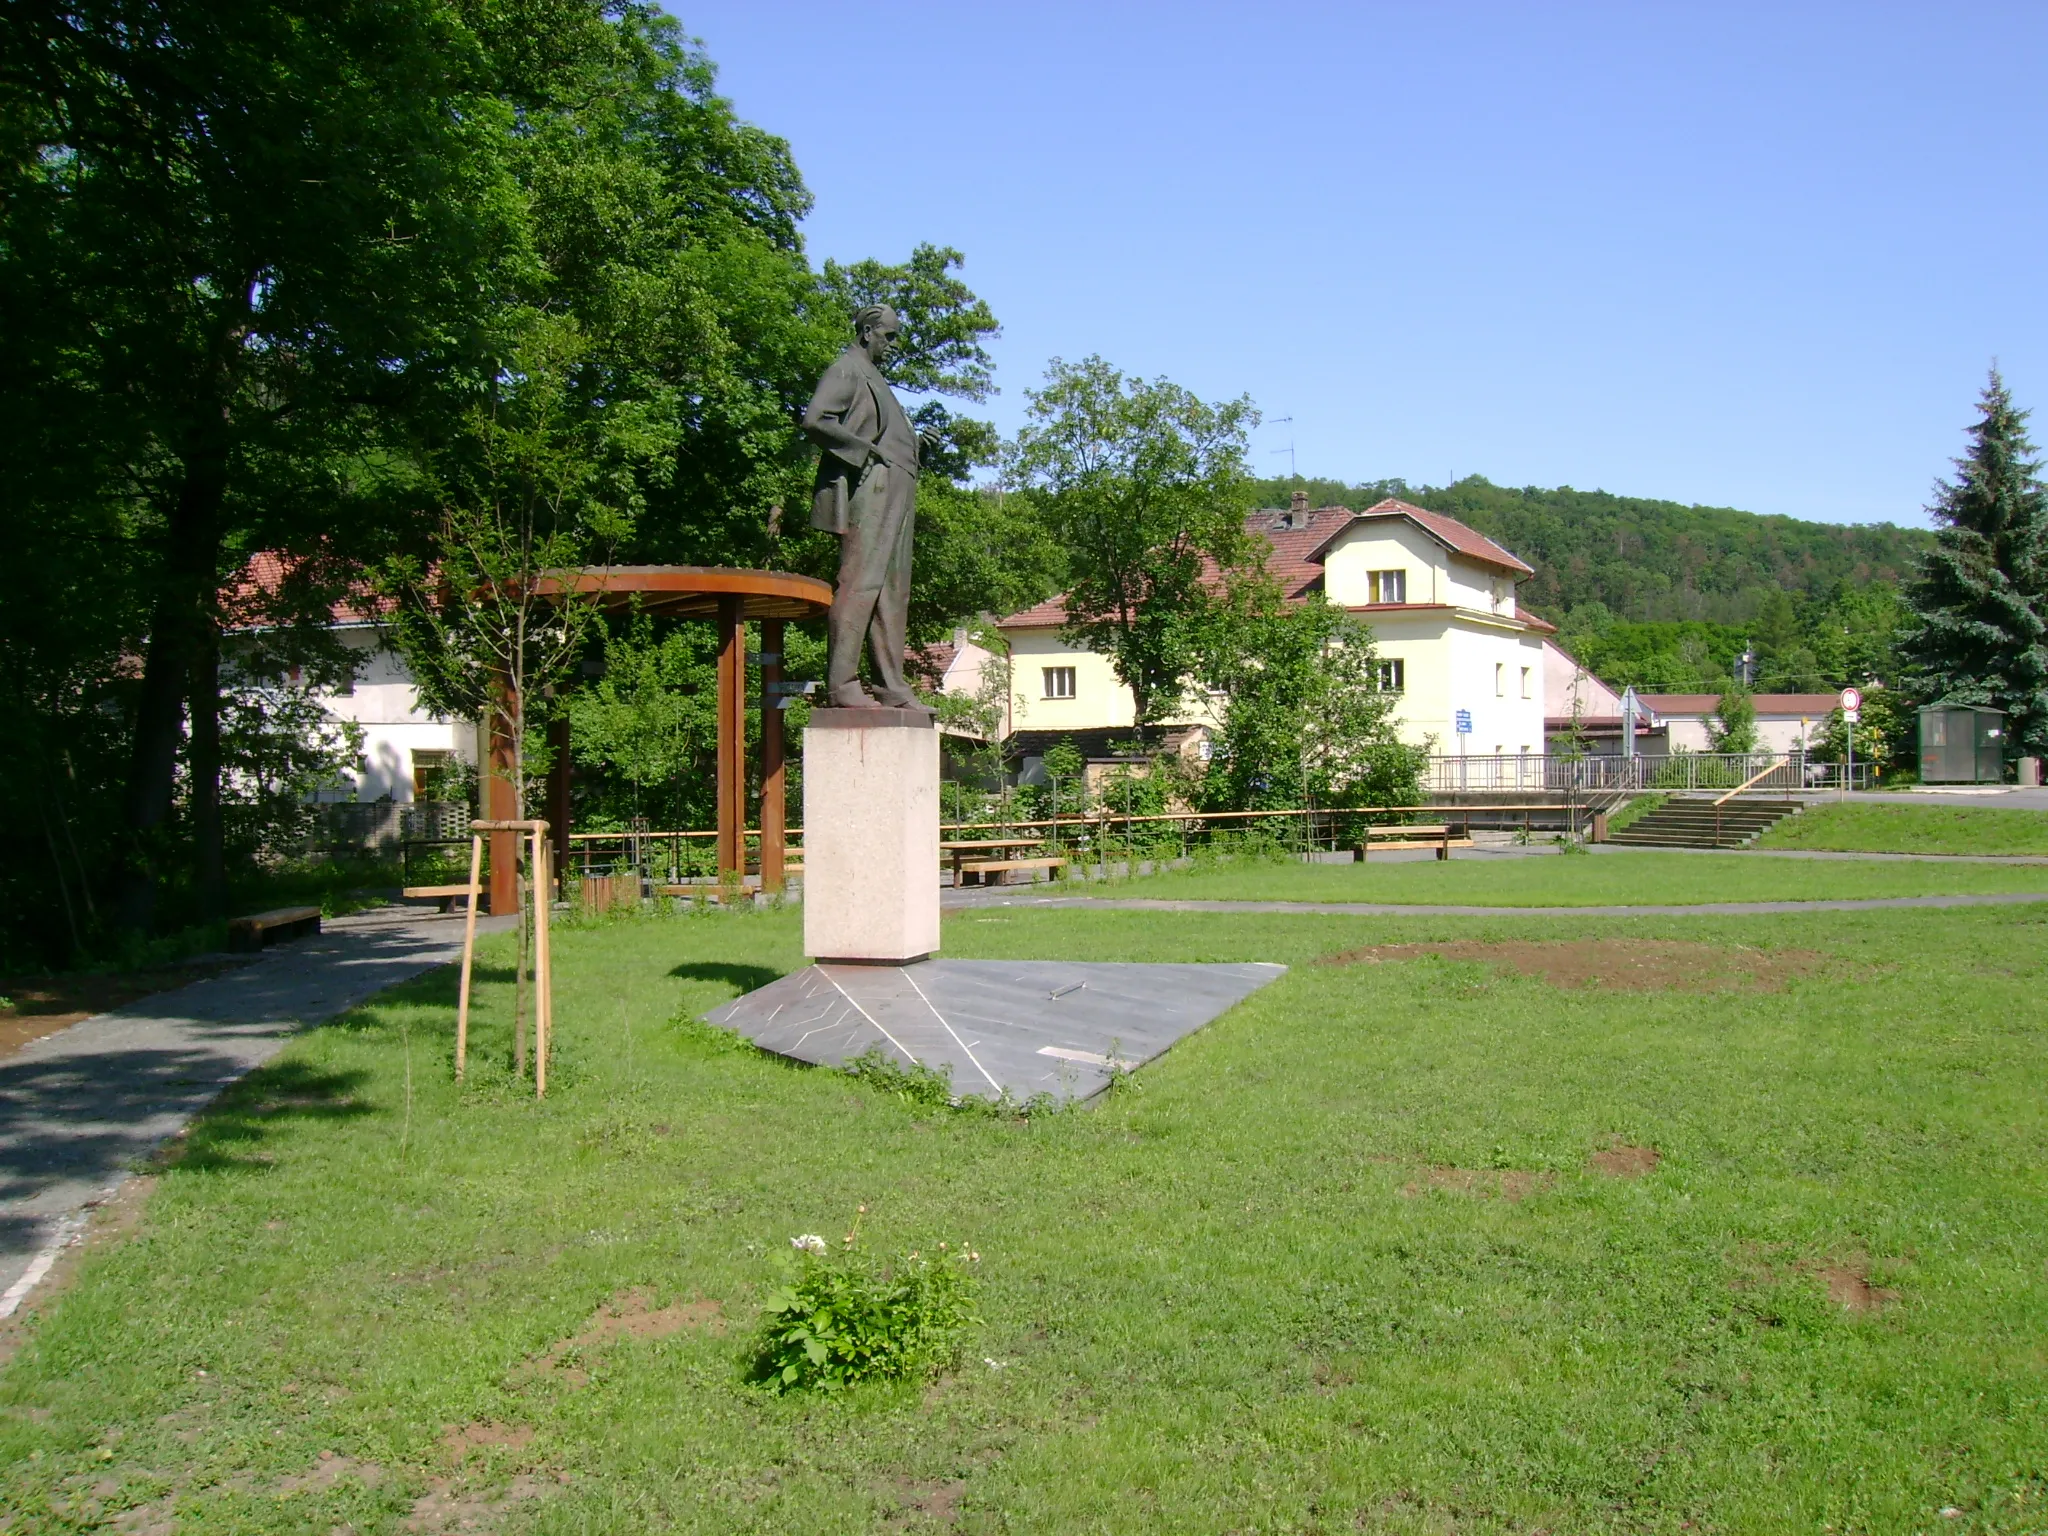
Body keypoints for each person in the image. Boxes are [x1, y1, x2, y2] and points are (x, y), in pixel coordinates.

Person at [801, 304, 933, 709]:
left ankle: (891, 685)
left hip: (899, 486)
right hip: (872, 486)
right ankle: (842, 684)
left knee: (893, 590)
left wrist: (914, 444)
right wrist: (868, 453)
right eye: (888, 336)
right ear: (867, 332)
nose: (893, 344)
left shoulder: (877, 378)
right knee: (860, 582)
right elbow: (816, 419)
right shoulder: (848, 367)